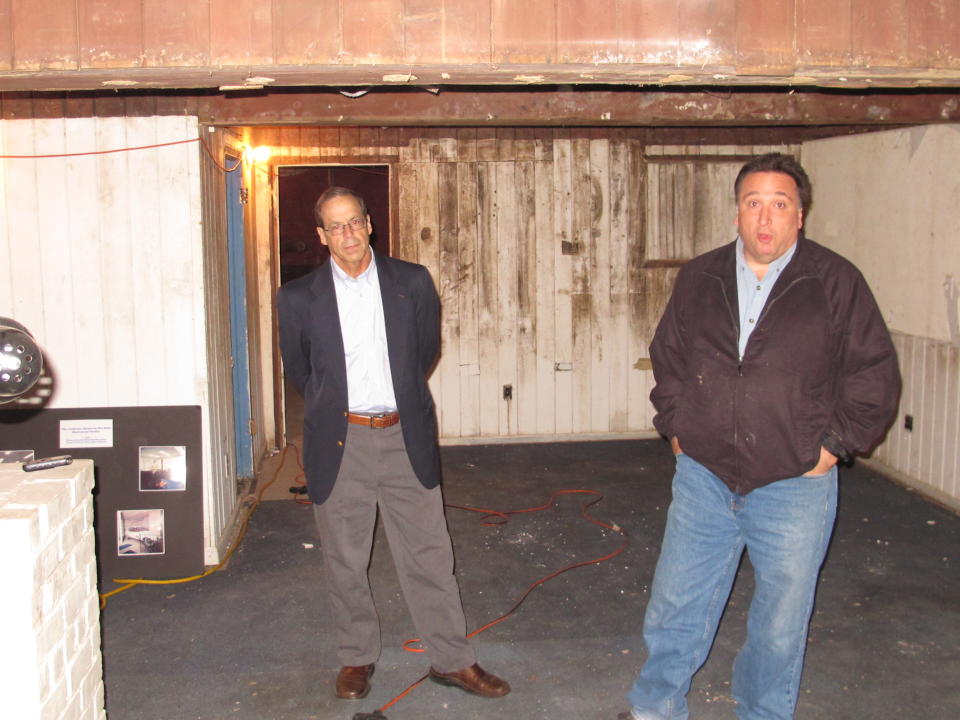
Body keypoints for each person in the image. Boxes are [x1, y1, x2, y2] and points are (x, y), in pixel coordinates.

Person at [620, 154, 900, 720]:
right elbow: (668, 357)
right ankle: (655, 707)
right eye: (753, 203)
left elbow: (873, 375)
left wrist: (830, 448)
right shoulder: (700, 277)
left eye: (779, 204)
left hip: (794, 483)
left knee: (779, 622)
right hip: (704, 475)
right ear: (737, 215)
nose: (765, 218)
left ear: (800, 216)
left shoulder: (835, 282)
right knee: (676, 604)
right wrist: (677, 427)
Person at [277, 187, 510, 702]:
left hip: (405, 436)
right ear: (321, 237)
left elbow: (424, 352)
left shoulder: (411, 282)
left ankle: (451, 659)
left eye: (355, 222)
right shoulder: (297, 298)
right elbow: (301, 369)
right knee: (344, 556)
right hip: (340, 441)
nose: (348, 234)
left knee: (430, 553)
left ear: (369, 225)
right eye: (335, 227)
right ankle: (357, 657)